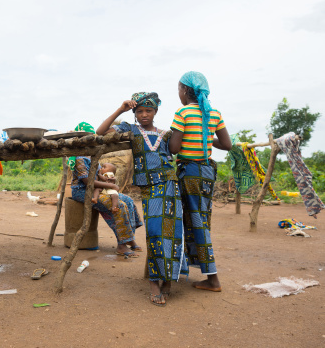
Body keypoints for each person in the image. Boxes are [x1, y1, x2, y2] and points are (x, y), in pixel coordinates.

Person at [97, 92, 188, 307]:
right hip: (150, 189)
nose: (144, 114)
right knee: (156, 232)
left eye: (149, 110)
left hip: (170, 185)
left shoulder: (166, 133)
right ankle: (155, 283)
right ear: (135, 113)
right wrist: (121, 109)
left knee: (172, 232)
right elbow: (100, 132)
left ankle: (168, 279)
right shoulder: (130, 129)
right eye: (140, 111)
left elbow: (176, 150)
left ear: (156, 111)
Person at [169, 71, 232, 293]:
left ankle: (213, 279)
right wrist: (206, 137)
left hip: (190, 172)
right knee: (199, 220)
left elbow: (174, 149)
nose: (178, 94)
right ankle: (189, 271)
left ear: (185, 90)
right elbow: (227, 144)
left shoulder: (183, 112)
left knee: (196, 223)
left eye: (178, 89)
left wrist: (179, 137)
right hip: (207, 172)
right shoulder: (213, 113)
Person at [69, 122, 143, 258]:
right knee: (119, 205)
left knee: (129, 200)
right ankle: (122, 245)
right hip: (82, 191)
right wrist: (111, 186)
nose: (91, 140)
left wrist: (107, 181)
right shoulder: (80, 157)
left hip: (97, 189)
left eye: (92, 137)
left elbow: (97, 176)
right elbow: (86, 181)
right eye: (87, 137)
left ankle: (129, 238)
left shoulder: (92, 155)